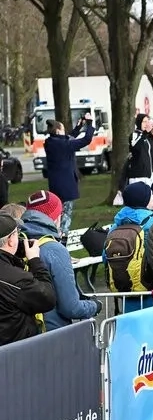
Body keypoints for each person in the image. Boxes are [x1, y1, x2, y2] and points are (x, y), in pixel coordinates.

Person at [18, 191, 98, 331]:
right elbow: (71, 307)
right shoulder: (54, 249)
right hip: (53, 333)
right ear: (55, 217)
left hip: (22, 332)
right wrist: (95, 306)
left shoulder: (16, 243)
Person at [0, 215, 57, 346]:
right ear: (10, 240)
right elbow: (47, 298)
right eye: (17, 233)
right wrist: (35, 261)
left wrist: (14, 257)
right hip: (15, 348)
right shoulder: (16, 279)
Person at [43, 114, 95, 235]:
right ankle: (62, 237)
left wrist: (78, 127)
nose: (65, 131)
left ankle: (56, 234)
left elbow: (68, 138)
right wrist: (90, 123)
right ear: (57, 131)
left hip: (55, 185)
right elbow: (86, 140)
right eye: (63, 129)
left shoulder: (50, 142)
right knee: (66, 214)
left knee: (57, 213)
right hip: (66, 186)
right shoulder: (64, 145)